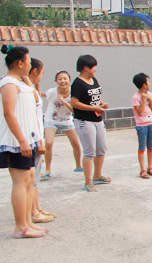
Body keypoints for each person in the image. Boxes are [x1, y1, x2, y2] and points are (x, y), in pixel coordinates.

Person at [0, 45, 46, 238]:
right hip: (15, 142)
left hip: (27, 139)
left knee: (29, 180)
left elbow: (33, 98)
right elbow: (9, 114)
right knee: (20, 182)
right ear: (20, 63)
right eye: (29, 62)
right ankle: (20, 227)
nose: (31, 65)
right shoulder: (8, 83)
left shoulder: (21, 83)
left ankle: (28, 222)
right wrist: (22, 140)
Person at [70, 54, 111, 192]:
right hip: (84, 121)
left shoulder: (93, 79)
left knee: (102, 148)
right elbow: (74, 103)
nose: (96, 70)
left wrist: (101, 103)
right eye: (94, 67)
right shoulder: (77, 83)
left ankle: (97, 175)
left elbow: (96, 96)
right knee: (89, 152)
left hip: (98, 119)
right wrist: (94, 108)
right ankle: (88, 181)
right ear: (86, 67)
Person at [26, 58, 55, 223]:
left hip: (36, 138)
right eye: (42, 73)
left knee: (35, 179)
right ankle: (33, 212)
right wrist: (40, 141)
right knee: (31, 180)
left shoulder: (31, 89)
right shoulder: (25, 91)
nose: (42, 77)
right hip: (33, 139)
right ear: (35, 71)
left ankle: (37, 208)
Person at [41, 70, 83, 178]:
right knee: (49, 143)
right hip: (51, 119)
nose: (62, 81)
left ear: (69, 80)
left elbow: (74, 110)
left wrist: (63, 101)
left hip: (66, 120)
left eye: (65, 78)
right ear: (56, 81)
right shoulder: (52, 92)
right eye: (59, 79)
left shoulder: (74, 92)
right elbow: (41, 94)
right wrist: (35, 86)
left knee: (76, 144)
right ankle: (48, 169)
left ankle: (78, 165)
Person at [132, 72, 152, 179]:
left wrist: (150, 100)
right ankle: (142, 169)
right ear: (144, 84)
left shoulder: (150, 94)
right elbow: (140, 112)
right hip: (142, 126)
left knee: (151, 146)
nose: (150, 84)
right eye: (148, 81)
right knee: (142, 147)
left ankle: (150, 167)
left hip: (151, 123)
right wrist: (143, 101)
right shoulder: (135, 97)